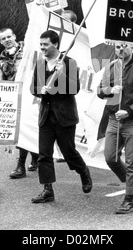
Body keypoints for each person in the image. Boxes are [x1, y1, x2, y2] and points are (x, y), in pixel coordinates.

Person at [30, 30, 92, 203]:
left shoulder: (69, 63)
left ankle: (83, 171)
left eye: (45, 44)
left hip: (64, 116)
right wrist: (39, 90)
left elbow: (74, 89)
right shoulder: (40, 64)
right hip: (46, 116)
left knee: (69, 152)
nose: (42, 47)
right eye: (41, 44)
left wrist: (62, 73)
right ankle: (47, 189)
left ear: (55, 44)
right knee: (44, 154)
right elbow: (33, 87)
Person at [98, 44, 133, 214]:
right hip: (113, 120)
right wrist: (109, 90)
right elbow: (100, 91)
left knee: (131, 162)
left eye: (124, 46)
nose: (120, 50)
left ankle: (129, 198)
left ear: (132, 47)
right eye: (117, 47)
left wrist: (129, 111)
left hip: (132, 122)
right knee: (110, 157)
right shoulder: (111, 67)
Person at [0, 28, 39, 179]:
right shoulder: (1, 61)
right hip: (15, 97)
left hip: (31, 95)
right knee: (21, 130)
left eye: (9, 36)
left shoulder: (28, 49)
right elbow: (1, 81)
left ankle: (25, 163)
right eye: (3, 38)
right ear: (0, 41)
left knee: (29, 128)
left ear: (14, 36)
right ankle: (29, 160)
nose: (7, 40)